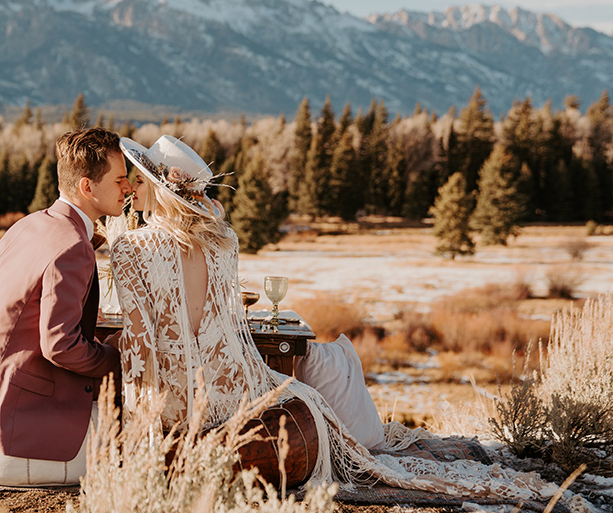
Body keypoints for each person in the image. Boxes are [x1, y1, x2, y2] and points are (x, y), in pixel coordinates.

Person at [109, 134, 560, 500]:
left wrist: (138, 437)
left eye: (139, 180)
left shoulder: (131, 248)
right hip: (229, 396)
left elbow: (138, 350)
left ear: (156, 188)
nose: (132, 188)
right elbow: (224, 331)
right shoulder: (221, 244)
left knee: (300, 401)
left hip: (178, 406)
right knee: (304, 398)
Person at [0, 128, 131, 486]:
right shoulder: (72, 245)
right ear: (87, 187)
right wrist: (120, 359)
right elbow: (61, 346)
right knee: (140, 447)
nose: (128, 188)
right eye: (119, 180)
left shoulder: (25, 227)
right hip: (5, 438)